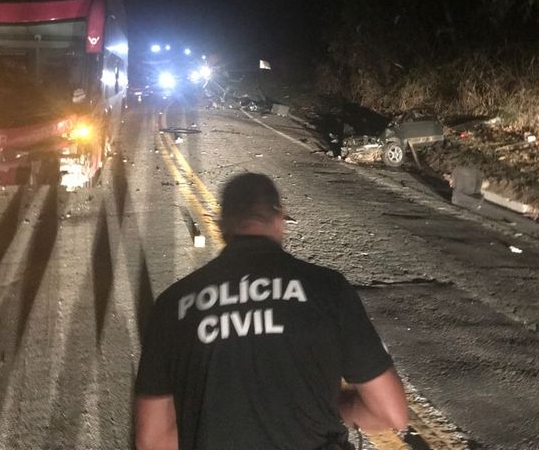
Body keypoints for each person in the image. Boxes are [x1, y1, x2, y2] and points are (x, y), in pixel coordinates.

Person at [135, 172, 408, 450]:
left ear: (220, 226)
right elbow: (391, 412)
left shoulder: (171, 306)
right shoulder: (327, 289)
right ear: (279, 220)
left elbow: (153, 440)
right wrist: (337, 406)